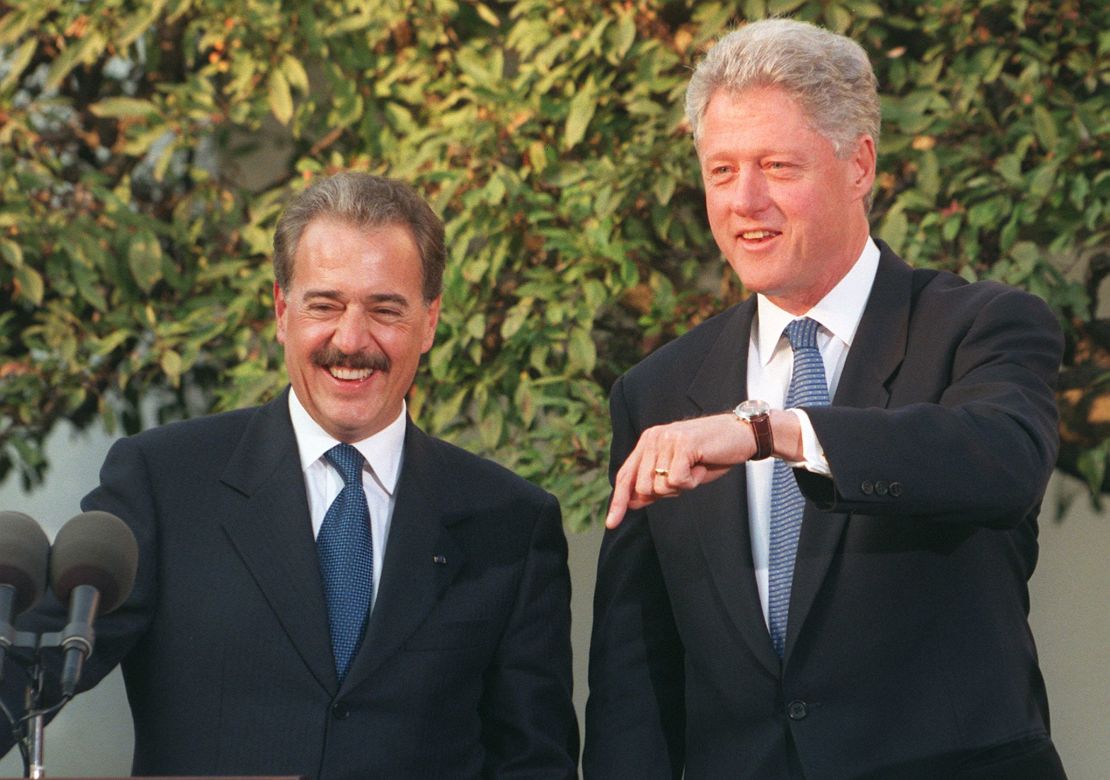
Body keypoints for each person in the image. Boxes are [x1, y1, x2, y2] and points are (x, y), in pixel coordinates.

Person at [584, 19, 1065, 780]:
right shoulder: (655, 391)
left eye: (778, 166)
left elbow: (1001, 459)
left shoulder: (979, 325)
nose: (746, 202)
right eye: (720, 171)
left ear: (859, 164)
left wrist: (773, 432)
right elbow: (635, 672)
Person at [2, 172, 579, 778]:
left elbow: (533, 761)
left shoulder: (511, 523)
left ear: (430, 321)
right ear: (282, 311)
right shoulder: (165, 484)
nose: (351, 340)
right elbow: (27, 665)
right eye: (324, 305)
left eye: (386, 309)